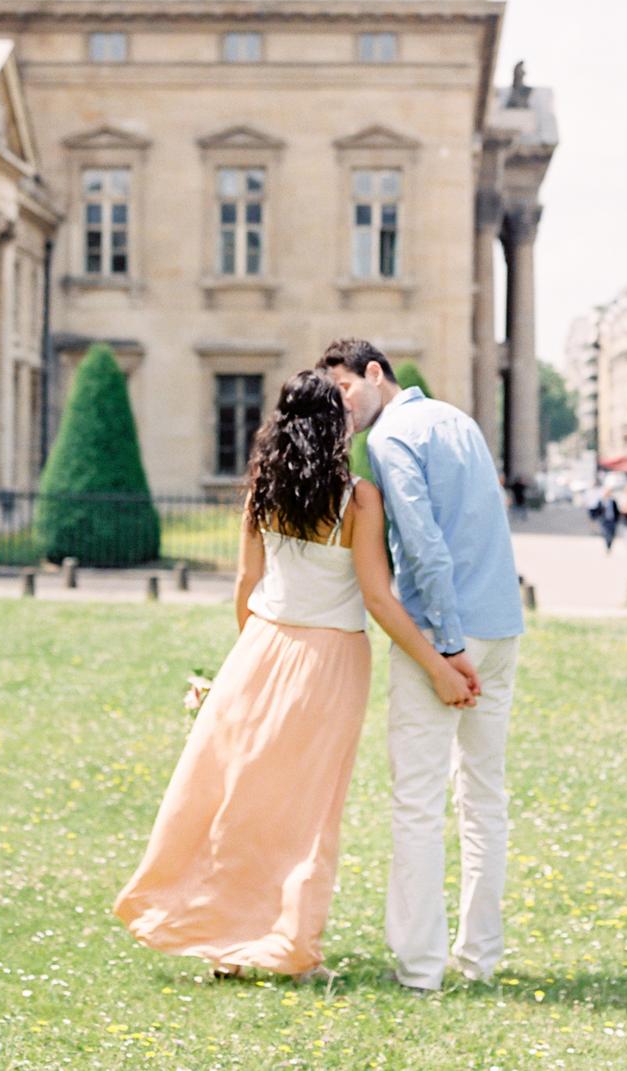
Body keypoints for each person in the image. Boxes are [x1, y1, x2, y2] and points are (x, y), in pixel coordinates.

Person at [114, 370, 476, 983]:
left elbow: (246, 586)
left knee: (240, 802)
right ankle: (288, 949)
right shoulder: (358, 498)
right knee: (309, 812)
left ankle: (229, 944)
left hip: (259, 650)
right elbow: (380, 601)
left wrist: (241, 668)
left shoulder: (262, 488)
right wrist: (440, 668)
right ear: (334, 425)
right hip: (329, 662)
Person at [318, 339, 523, 994]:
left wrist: (448, 647)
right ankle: (480, 957)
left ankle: (421, 967)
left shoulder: (391, 437)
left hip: (446, 634)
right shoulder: (459, 420)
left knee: (417, 800)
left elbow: (426, 546)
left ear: (375, 374)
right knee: (484, 797)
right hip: (501, 625)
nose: (342, 405)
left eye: (346, 388)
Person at [599, 485, 619, 553]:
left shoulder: (613, 501)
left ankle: (609, 545)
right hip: (604, 521)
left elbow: (617, 511)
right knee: (605, 533)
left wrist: (617, 519)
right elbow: (598, 510)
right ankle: (607, 546)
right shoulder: (601, 501)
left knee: (612, 534)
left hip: (612, 520)